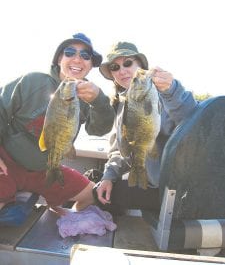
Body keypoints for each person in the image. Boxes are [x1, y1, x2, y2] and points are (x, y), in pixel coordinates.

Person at [0, 32, 114, 222]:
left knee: (91, 194)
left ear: (90, 64)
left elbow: (99, 130)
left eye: (86, 56)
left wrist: (100, 101)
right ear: (59, 58)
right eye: (70, 52)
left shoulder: (88, 96)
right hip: (7, 163)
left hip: (44, 170)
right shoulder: (32, 81)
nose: (77, 59)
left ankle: (68, 224)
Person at [95, 41, 198, 213]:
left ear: (141, 66)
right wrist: (109, 176)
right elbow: (120, 152)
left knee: (96, 193)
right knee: (98, 182)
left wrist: (172, 90)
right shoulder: (120, 105)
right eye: (115, 67)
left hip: (173, 192)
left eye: (128, 63)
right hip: (148, 183)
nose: (122, 70)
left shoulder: (164, 94)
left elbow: (192, 121)